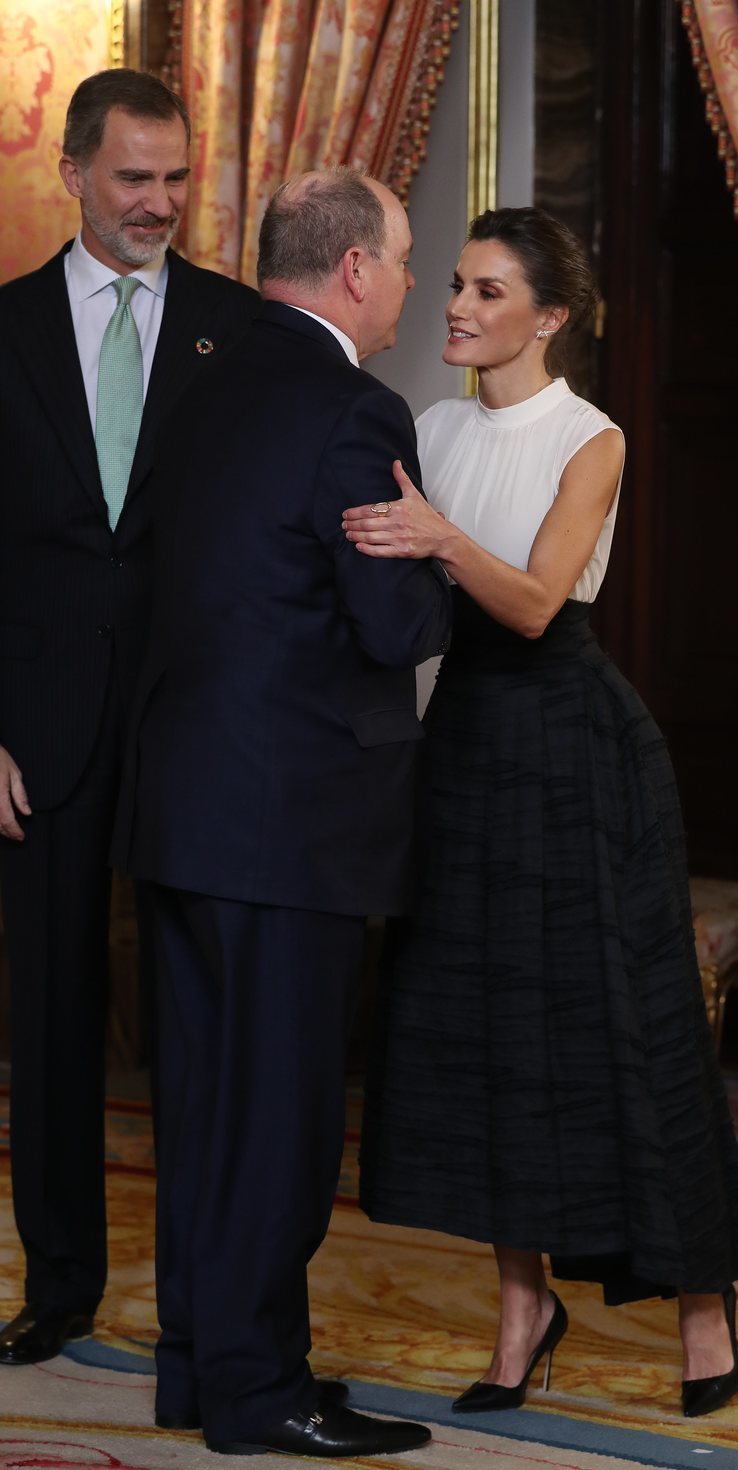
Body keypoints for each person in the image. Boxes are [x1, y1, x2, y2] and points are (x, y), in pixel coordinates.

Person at [349, 206, 738, 1420]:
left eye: (486, 292)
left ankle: (699, 1306)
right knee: (474, 1029)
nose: (458, 309)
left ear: (550, 315)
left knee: (621, 1027)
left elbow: (532, 603)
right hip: (461, 745)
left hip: (579, 750)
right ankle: (523, 1306)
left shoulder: (595, 438)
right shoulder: (424, 424)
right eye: (456, 287)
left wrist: (432, 532)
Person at [111, 168, 452, 1458]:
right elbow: (385, 622)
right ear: (354, 270)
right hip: (291, 821)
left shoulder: (189, 389)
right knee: (280, 1119)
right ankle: (262, 1395)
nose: (411, 283)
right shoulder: (354, 410)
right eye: (406, 259)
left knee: (202, 1112)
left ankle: (201, 1371)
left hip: (183, 808)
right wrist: (434, 559)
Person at [0, 69, 257, 1368]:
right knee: (48, 1010)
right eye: (132, 178)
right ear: (75, 172)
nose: (159, 202)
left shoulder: (239, 328)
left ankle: (211, 1293)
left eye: (175, 177)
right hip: (32, 730)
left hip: (198, 723)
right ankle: (60, 1280)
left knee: (201, 1013)